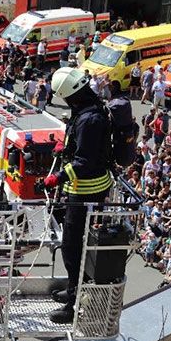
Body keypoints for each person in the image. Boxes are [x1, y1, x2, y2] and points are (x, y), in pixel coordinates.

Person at [44, 67, 113, 324]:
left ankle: (73, 306)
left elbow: (84, 162)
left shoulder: (90, 119)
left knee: (73, 249)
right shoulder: (88, 110)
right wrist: (66, 147)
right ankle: (73, 290)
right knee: (73, 246)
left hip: (86, 191)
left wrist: (57, 177)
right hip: (87, 189)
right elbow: (82, 147)